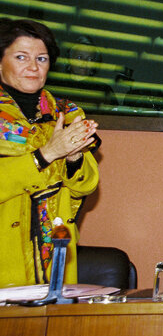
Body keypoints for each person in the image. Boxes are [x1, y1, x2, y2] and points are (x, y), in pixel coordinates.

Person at [0, 18, 99, 288]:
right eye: (21, 57)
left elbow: (87, 185)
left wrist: (73, 157)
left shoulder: (64, 113)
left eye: (41, 59)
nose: (33, 67)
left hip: (55, 257)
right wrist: (44, 155)